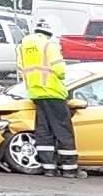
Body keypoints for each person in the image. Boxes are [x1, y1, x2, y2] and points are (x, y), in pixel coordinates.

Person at [18, 21, 80, 177]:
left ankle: (48, 168)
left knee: (44, 131)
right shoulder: (49, 45)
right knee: (63, 131)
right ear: (49, 33)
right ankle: (69, 169)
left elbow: (20, 68)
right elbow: (60, 70)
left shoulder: (23, 46)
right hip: (53, 92)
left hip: (35, 93)